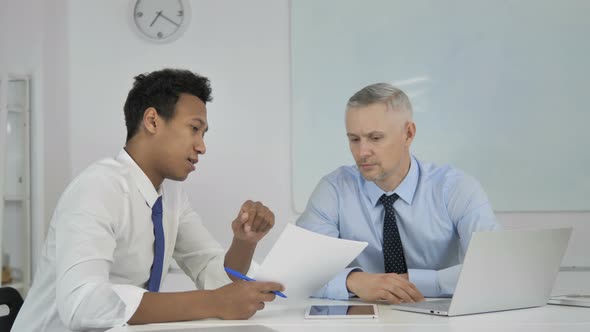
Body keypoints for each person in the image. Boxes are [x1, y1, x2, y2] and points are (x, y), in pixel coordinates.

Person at [13, 69, 284, 332]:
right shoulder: (97, 188)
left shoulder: (171, 196)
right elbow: (83, 304)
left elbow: (214, 278)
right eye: (194, 129)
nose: (202, 146)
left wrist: (244, 242)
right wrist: (214, 303)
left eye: (203, 134)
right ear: (152, 121)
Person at [296, 82, 500, 304]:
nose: (362, 152)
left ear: (408, 134)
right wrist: (354, 281)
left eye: (375, 138)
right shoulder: (334, 190)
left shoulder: (456, 188)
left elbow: (494, 266)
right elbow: (299, 268)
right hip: (359, 321)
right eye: (354, 139)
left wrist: (414, 282)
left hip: (441, 319)